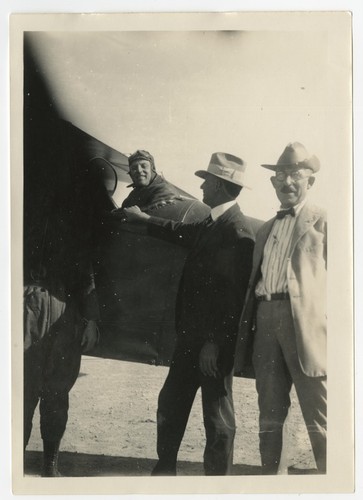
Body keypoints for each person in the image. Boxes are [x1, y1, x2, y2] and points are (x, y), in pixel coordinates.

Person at [123, 152, 255, 475]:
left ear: (221, 186)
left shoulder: (238, 232)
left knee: (218, 421)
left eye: (207, 180)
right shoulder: (214, 222)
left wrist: (214, 343)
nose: (202, 185)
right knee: (170, 404)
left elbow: (234, 299)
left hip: (211, 346)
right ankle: (165, 470)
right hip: (190, 341)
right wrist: (145, 221)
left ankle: (217, 487)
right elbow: (178, 230)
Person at [235, 142, 327, 475]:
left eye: (295, 176)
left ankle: (335, 482)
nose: (287, 183)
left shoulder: (324, 222)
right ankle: (273, 485)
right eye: (281, 176)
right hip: (265, 321)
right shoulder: (266, 230)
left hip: (306, 326)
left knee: (319, 412)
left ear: (310, 182)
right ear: (273, 182)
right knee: (270, 411)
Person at [24, 211, 100, 477]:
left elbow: (87, 281)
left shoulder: (77, 237)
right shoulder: (23, 222)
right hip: (28, 313)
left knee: (56, 394)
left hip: (65, 318)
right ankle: (12, 463)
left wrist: (90, 320)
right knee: (23, 392)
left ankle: (50, 465)